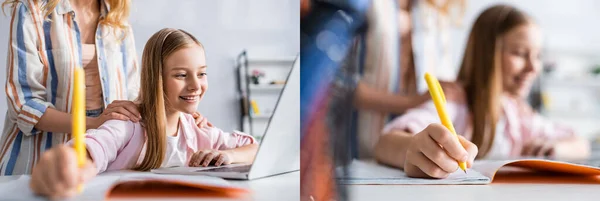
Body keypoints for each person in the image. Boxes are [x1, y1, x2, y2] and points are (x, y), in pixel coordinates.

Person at [29, 28, 259, 199]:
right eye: (181, 75)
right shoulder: (128, 124)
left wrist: (228, 156)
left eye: (201, 74)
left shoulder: (197, 130)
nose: (195, 86)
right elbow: (88, 150)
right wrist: (70, 164)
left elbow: (255, 148)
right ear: (155, 78)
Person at [374, 4, 590, 179]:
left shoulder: (518, 113)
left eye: (537, 56)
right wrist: (413, 147)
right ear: (486, 55)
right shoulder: (457, 101)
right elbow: (385, 144)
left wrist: (554, 149)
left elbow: (580, 143)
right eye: (520, 53)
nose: (534, 68)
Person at [0, 0, 209, 175]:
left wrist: (182, 117)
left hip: (104, 156)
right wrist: (95, 123)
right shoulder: (33, 10)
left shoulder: (117, 19)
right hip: (37, 158)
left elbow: (135, 94)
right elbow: (24, 104)